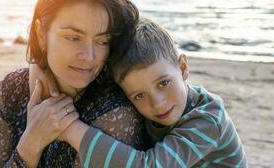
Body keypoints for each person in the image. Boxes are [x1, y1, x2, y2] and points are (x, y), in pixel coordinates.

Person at [0, 0, 148, 167]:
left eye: (102, 41)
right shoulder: (13, 89)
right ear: (41, 34)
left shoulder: (114, 113)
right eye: (73, 37)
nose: (89, 56)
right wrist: (31, 143)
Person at [58, 18, 248, 167]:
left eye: (164, 83)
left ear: (182, 68)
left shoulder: (209, 119)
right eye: (139, 95)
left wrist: (70, 130)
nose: (157, 103)